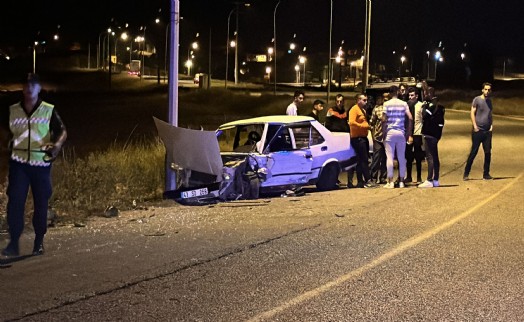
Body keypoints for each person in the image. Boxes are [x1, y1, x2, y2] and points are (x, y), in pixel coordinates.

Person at [1, 74, 67, 257]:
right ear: (23, 89)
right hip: (19, 163)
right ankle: (14, 243)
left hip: (40, 164)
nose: (29, 89)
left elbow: (62, 131)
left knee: (41, 203)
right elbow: (4, 129)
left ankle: (39, 242)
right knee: (15, 203)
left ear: (39, 89)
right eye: (27, 86)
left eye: (33, 86)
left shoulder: (48, 110)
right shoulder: (13, 110)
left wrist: (57, 146)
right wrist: (6, 140)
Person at [381, 85, 413, 188]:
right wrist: (408, 132)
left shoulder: (386, 104)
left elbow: (383, 119)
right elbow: (410, 117)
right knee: (401, 157)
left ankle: (390, 181)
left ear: (390, 93)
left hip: (390, 132)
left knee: (389, 157)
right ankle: (401, 181)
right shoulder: (403, 104)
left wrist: (383, 132)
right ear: (398, 92)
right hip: (401, 133)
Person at [463, 82, 493, 181]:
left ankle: (486, 174)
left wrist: (491, 126)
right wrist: (475, 126)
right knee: (474, 152)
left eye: (489, 90)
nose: (487, 91)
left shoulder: (489, 102)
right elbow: (472, 112)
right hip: (478, 131)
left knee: (488, 152)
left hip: (487, 132)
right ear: (482, 90)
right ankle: (466, 173)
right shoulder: (477, 100)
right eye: (485, 89)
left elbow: (490, 115)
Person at [324, 94, 356, 187]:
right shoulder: (331, 111)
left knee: (350, 159)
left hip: (345, 137)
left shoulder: (345, 112)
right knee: (335, 160)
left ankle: (350, 181)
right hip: (335, 137)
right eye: (337, 101)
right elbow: (328, 124)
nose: (339, 103)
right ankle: (333, 180)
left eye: (341, 101)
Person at [349, 94, 376, 188]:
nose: (366, 102)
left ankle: (360, 181)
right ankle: (368, 180)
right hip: (357, 138)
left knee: (361, 160)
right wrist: (364, 126)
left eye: (366, 100)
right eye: (364, 100)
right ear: (358, 100)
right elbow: (351, 122)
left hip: (363, 137)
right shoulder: (354, 109)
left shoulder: (362, 110)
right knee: (364, 159)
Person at [418, 96, 445, 188]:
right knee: (435, 156)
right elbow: (441, 123)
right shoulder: (441, 109)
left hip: (429, 134)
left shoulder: (431, 106)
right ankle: (436, 179)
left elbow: (425, 116)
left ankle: (429, 179)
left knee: (430, 157)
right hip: (436, 135)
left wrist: (424, 107)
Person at [405, 87, 425, 183]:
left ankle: (419, 177)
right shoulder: (406, 106)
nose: (410, 97)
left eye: (412, 95)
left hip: (417, 133)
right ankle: (408, 176)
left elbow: (423, 119)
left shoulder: (421, 106)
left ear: (417, 96)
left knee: (418, 155)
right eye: (409, 95)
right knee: (408, 156)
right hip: (409, 134)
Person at [369, 93, 388, 184]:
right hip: (378, 137)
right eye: (384, 98)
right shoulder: (377, 109)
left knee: (385, 158)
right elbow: (372, 122)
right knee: (376, 158)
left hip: (387, 137)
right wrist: (373, 135)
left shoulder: (390, 109)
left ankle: (383, 177)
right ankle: (373, 177)